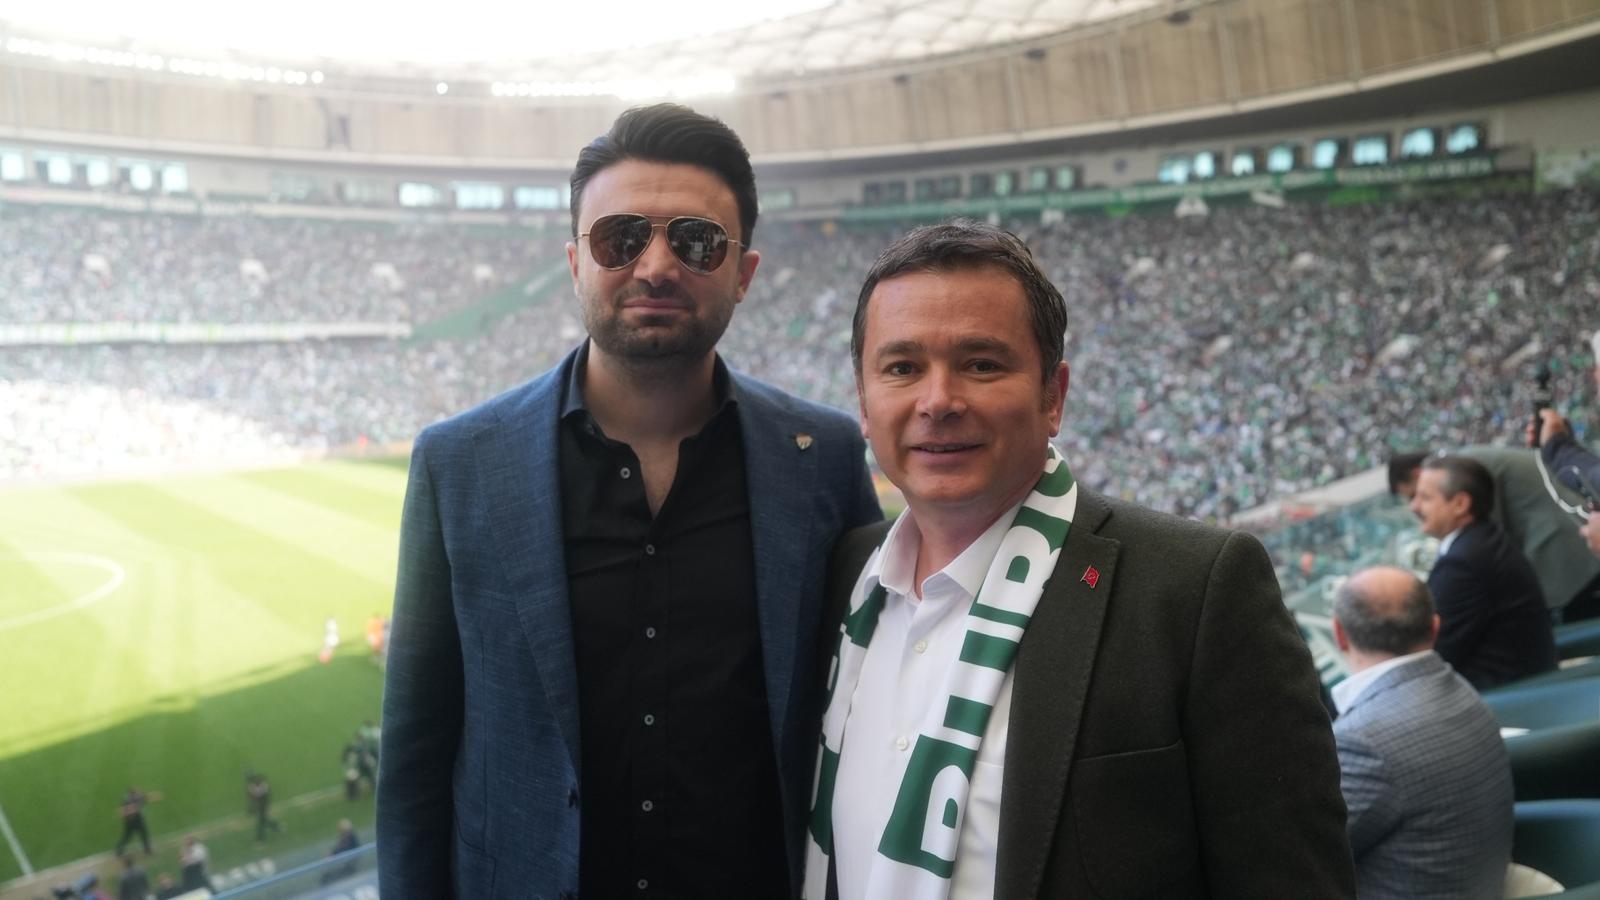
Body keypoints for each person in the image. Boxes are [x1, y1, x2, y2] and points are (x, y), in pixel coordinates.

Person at [377, 103, 881, 899]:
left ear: (743, 273)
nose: (656, 266)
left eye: (696, 241)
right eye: (620, 238)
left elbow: (863, 711)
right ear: (575, 262)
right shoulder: (458, 462)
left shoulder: (823, 458)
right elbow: (415, 752)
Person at [806, 220, 1353, 899]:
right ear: (863, 402)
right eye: (901, 368)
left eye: (982, 364)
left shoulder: (1197, 590)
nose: (938, 401)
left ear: (1053, 396)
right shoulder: (844, 576)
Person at [1330, 566, 1512, 899]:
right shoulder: (1460, 690)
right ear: (1435, 627)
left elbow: (1296, 856)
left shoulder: (1361, 741)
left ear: (1339, 634)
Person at [1388, 446, 1600, 616]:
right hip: (1568, 538)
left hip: (1563, 551)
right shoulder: (1466, 460)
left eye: (1420, 496)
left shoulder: (1465, 469)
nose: (1415, 506)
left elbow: (1484, 536)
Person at [1410, 455, 1557, 688]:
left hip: (1504, 694)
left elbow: (1434, 652)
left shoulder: (1463, 562)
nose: (1414, 506)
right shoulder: (1482, 539)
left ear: (1460, 504)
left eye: (1425, 498)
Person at [114, 787, 158, 857]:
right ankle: (119, 851)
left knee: (144, 834)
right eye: (137, 793)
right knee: (127, 837)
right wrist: (132, 811)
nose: (139, 794)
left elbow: (146, 798)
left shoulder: (137, 799)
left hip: (138, 819)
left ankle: (147, 849)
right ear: (132, 794)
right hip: (130, 822)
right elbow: (121, 813)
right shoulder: (127, 801)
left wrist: (155, 797)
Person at [245, 773, 281, 842]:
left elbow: (265, 796)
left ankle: (261, 838)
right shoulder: (252, 786)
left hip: (263, 805)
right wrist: (252, 806)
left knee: (261, 822)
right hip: (259, 805)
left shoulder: (263, 786)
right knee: (263, 821)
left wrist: (257, 805)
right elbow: (251, 797)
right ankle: (276, 827)